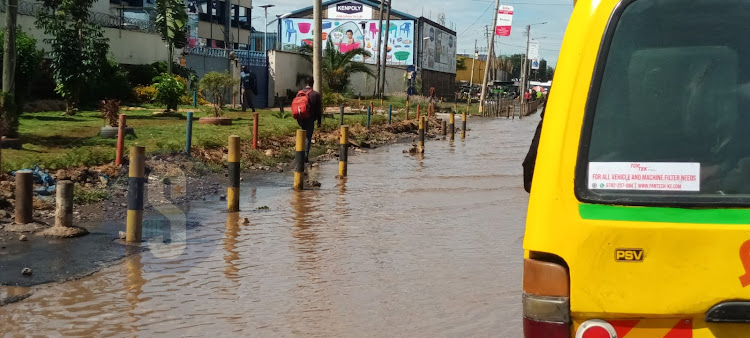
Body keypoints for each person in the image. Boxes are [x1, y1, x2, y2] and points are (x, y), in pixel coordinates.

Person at [297, 77, 322, 162]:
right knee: (308, 137)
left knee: (302, 134)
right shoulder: (315, 94)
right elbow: (319, 109)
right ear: (313, 83)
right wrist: (319, 121)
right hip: (310, 118)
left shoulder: (299, 93)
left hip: (300, 118)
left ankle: (299, 154)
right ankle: (305, 156)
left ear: (305, 83)